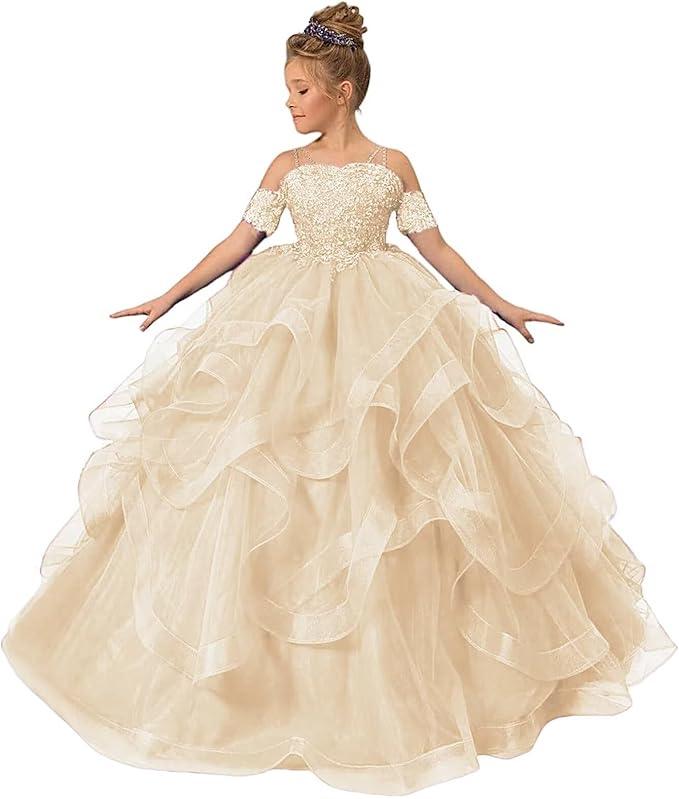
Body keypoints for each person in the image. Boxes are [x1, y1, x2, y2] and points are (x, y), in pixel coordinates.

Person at [2, 3, 676, 795]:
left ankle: (378, 683)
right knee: (270, 480)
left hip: (383, 328)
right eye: (289, 89)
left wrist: (500, 303)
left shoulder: (393, 165)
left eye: (300, 90)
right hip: (286, 331)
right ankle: (273, 685)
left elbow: (436, 247)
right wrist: (170, 292)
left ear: (342, 91)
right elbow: (238, 242)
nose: (288, 103)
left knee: (383, 482)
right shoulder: (285, 168)